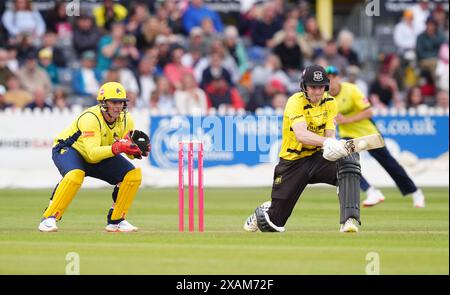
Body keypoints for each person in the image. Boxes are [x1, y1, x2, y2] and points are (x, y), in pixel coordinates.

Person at [244, 65, 362, 233]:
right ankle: (264, 211)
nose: (317, 91)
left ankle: (349, 220)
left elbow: (329, 135)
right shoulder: (295, 101)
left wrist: (336, 146)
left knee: (348, 161)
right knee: (272, 225)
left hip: (317, 159)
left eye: (321, 87)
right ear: (304, 87)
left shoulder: (330, 103)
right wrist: (328, 142)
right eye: (313, 87)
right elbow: (302, 135)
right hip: (292, 163)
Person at [38, 82, 150, 233]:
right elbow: (92, 153)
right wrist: (119, 147)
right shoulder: (91, 117)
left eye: (121, 102)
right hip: (70, 149)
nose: (118, 106)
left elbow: (126, 149)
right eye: (114, 102)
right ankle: (49, 218)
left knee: (133, 176)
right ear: (103, 103)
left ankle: (116, 221)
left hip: (100, 153)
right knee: (75, 175)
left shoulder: (126, 119)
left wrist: (135, 151)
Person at [325, 65, 425, 208]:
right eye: (327, 79)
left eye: (333, 78)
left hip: (368, 133)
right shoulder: (325, 96)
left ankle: (415, 192)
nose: (330, 82)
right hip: (349, 136)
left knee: (389, 164)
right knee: (345, 162)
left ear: (338, 78)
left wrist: (347, 119)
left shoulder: (351, 89)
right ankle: (372, 192)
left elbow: (369, 112)